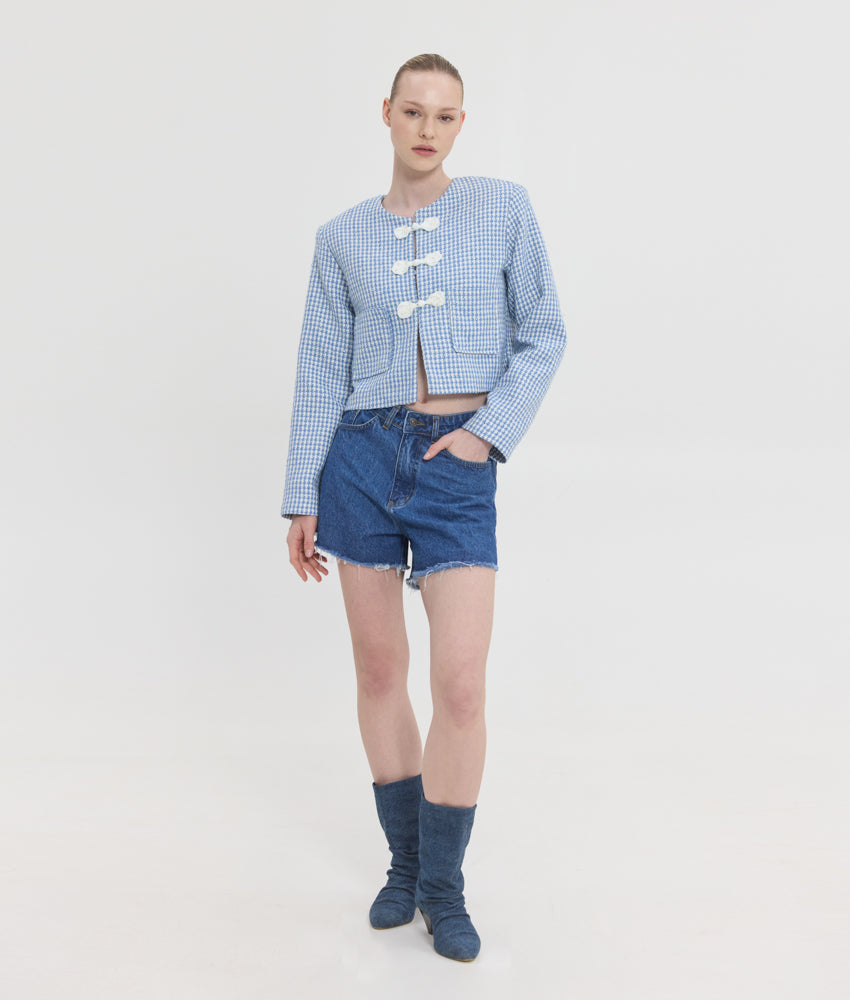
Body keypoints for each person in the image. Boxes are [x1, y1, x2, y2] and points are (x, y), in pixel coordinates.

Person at [280, 52, 566, 963]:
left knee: (462, 684)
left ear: (461, 123)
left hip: (455, 464)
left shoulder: (503, 208)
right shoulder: (340, 237)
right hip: (359, 459)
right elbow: (319, 368)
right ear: (387, 114)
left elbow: (545, 333)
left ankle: (445, 886)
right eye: (413, 111)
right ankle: (405, 866)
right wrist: (301, 493)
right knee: (377, 672)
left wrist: (487, 434)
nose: (427, 129)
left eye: (444, 115)